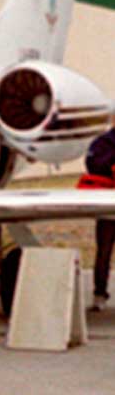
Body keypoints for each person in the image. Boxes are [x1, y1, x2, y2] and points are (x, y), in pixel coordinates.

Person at [85, 114, 115, 311]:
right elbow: (93, 165)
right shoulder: (102, 143)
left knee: (103, 250)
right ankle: (99, 293)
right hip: (107, 205)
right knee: (104, 250)